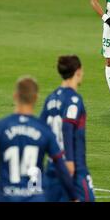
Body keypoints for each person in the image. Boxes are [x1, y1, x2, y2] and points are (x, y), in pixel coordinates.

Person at [0, 76, 77, 202]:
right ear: (35, 98)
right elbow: (61, 166)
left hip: (6, 198)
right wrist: (74, 197)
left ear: (15, 96)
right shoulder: (45, 130)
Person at [40, 55, 95, 202]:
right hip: (74, 168)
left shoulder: (51, 98)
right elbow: (67, 126)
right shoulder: (74, 99)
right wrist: (70, 161)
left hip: (52, 167)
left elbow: (40, 130)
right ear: (78, 71)